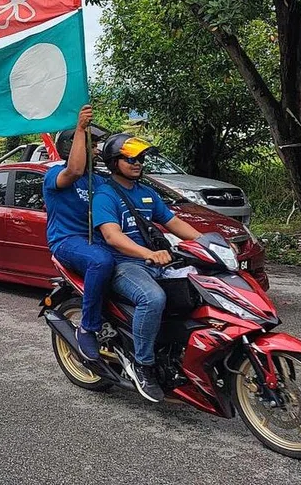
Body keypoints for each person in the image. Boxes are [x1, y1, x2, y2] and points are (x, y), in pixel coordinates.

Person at [92, 134, 202, 403]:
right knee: (152, 298)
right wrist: (149, 254)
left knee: (200, 290)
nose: (138, 163)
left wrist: (208, 243)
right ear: (113, 162)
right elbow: (112, 237)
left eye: (141, 158)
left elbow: (174, 222)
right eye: (130, 159)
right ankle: (142, 365)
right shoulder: (104, 195)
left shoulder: (147, 193)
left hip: (155, 261)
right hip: (124, 264)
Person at [42, 105, 116, 362]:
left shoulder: (99, 181)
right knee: (100, 261)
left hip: (97, 240)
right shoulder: (54, 174)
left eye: (95, 144)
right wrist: (81, 126)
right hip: (67, 242)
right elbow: (73, 171)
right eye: (89, 143)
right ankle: (88, 328)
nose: (95, 149)